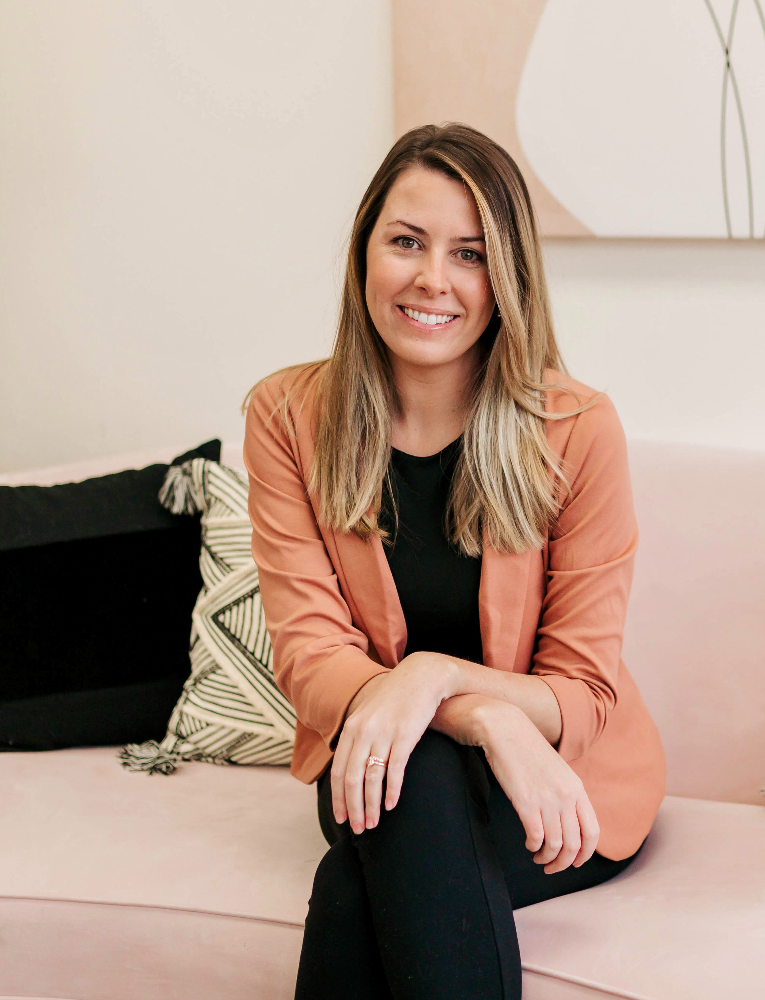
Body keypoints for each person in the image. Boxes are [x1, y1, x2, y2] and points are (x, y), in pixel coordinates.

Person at [243, 122, 666, 1000]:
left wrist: (429, 677)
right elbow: (310, 657)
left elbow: (583, 691)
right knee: (416, 778)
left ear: (507, 277)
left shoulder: (578, 431)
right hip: (376, 759)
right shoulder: (289, 416)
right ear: (366, 252)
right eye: (407, 242)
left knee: (358, 890)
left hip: (555, 787)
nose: (433, 278)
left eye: (470, 253)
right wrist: (485, 719)